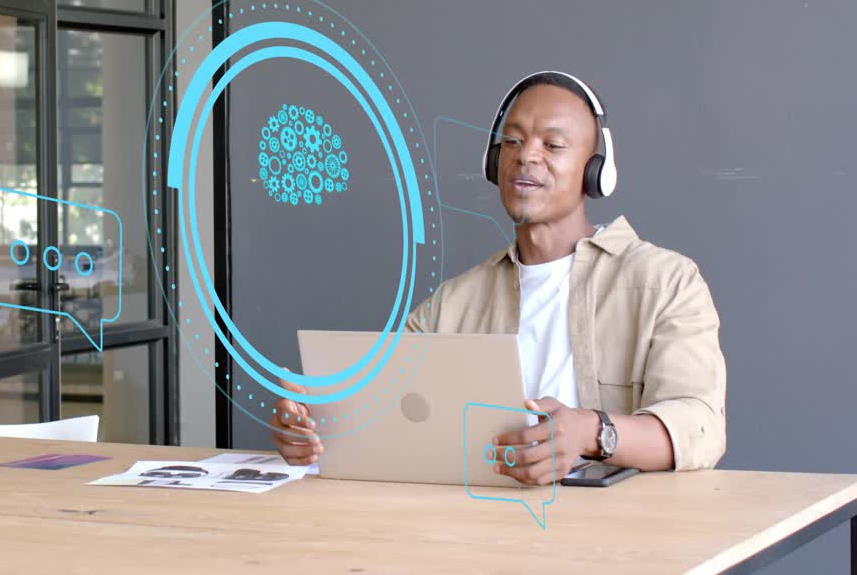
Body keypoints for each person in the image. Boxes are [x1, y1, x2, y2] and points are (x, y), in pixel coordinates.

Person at [270, 71, 726, 484]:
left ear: (595, 172)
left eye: (553, 145)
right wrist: (316, 424)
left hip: (613, 542)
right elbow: (386, 407)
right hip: (478, 532)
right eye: (512, 141)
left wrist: (591, 431)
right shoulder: (455, 301)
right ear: (493, 162)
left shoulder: (666, 282)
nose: (526, 156)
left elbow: (698, 425)